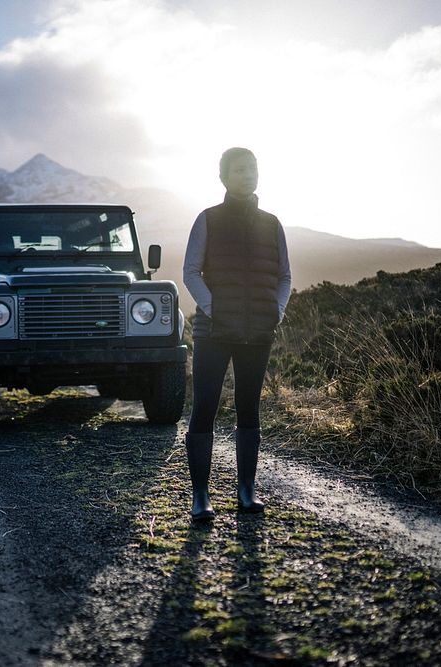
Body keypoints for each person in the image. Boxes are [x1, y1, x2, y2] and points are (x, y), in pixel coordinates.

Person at [182, 147, 292, 521]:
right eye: (241, 169)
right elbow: (191, 272)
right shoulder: (208, 219)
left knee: (249, 409)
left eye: (254, 169)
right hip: (213, 331)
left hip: (258, 331)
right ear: (225, 177)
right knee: (205, 408)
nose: (249, 174)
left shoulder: (272, 223)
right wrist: (214, 309)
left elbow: (285, 276)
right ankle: (201, 496)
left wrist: (275, 312)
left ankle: (247, 490)